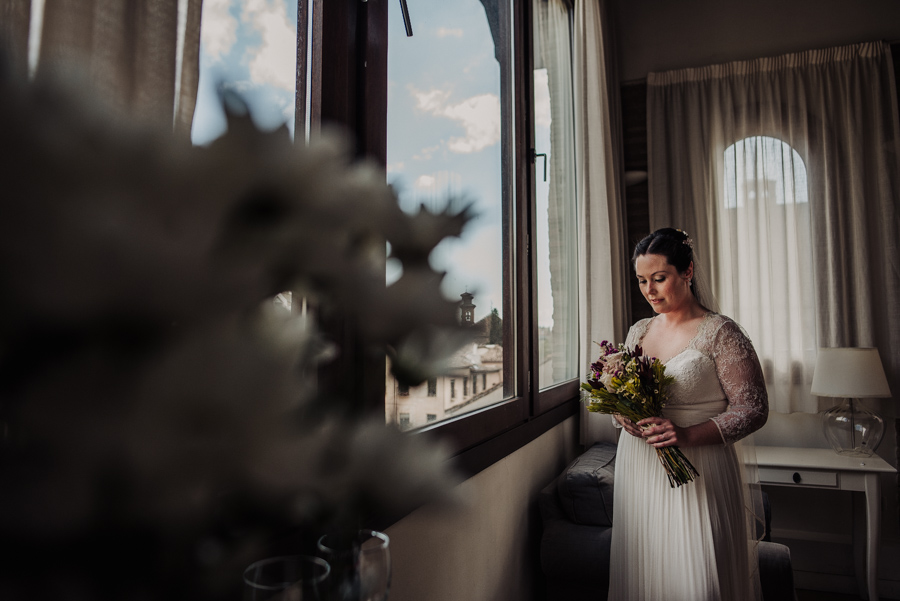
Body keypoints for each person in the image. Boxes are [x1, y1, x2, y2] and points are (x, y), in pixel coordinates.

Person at [608, 227, 768, 601]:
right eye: (642, 280)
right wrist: (623, 416)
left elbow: (753, 409)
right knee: (646, 572)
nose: (649, 290)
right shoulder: (638, 331)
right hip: (640, 467)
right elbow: (622, 395)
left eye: (659, 278)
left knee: (699, 580)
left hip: (701, 466)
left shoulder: (721, 332)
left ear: (687, 273)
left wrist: (686, 435)